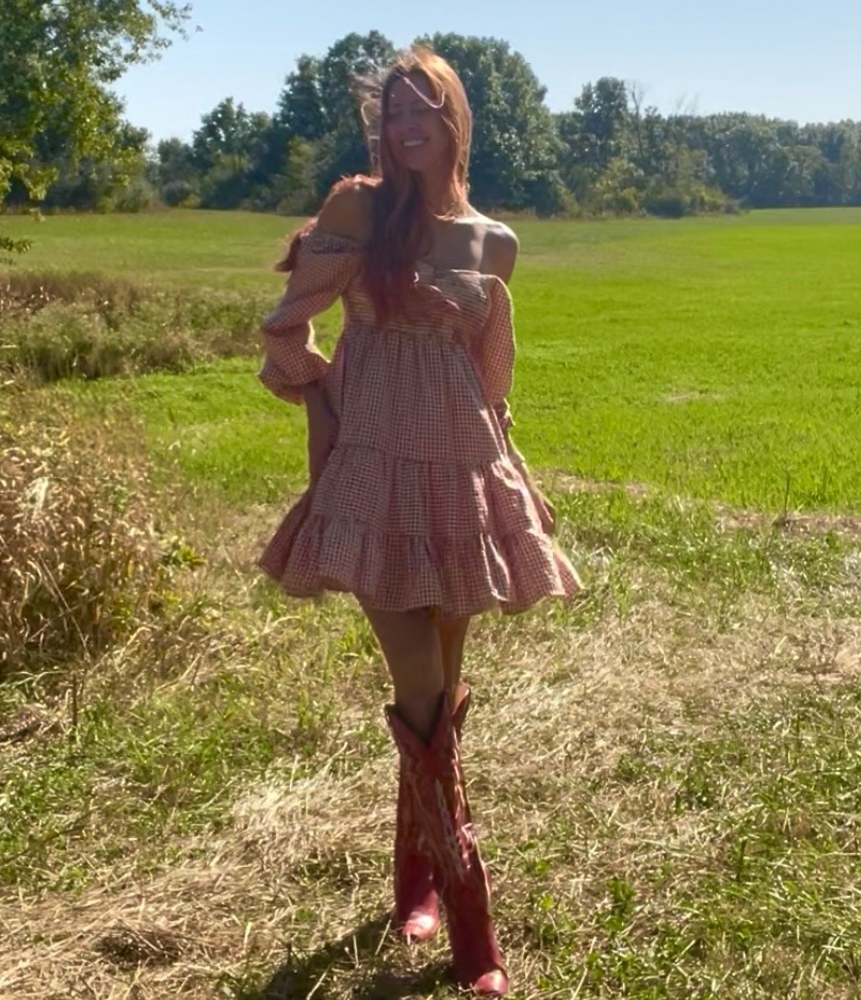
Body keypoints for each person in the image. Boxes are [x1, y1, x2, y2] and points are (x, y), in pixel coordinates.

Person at [256, 46, 581, 997]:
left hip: (463, 478)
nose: (406, 127)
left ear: (455, 123)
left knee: (441, 692)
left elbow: (490, 380)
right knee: (427, 689)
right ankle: (471, 919)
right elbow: (289, 325)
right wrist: (323, 408)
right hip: (373, 477)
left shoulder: (496, 243)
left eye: (425, 110)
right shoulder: (359, 210)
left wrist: (507, 473)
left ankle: (414, 883)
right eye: (393, 111)